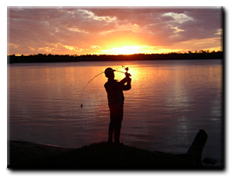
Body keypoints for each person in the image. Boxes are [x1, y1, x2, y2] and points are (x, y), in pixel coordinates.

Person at [104, 67, 131, 144]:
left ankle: (110, 140)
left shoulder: (107, 84)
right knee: (118, 123)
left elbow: (119, 84)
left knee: (112, 122)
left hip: (112, 106)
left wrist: (126, 78)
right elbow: (127, 87)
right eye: (112, 73)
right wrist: (129, 81)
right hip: (118, 106)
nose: (113, 74)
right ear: (111, 75)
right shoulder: (114, 84)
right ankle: (116, 142)